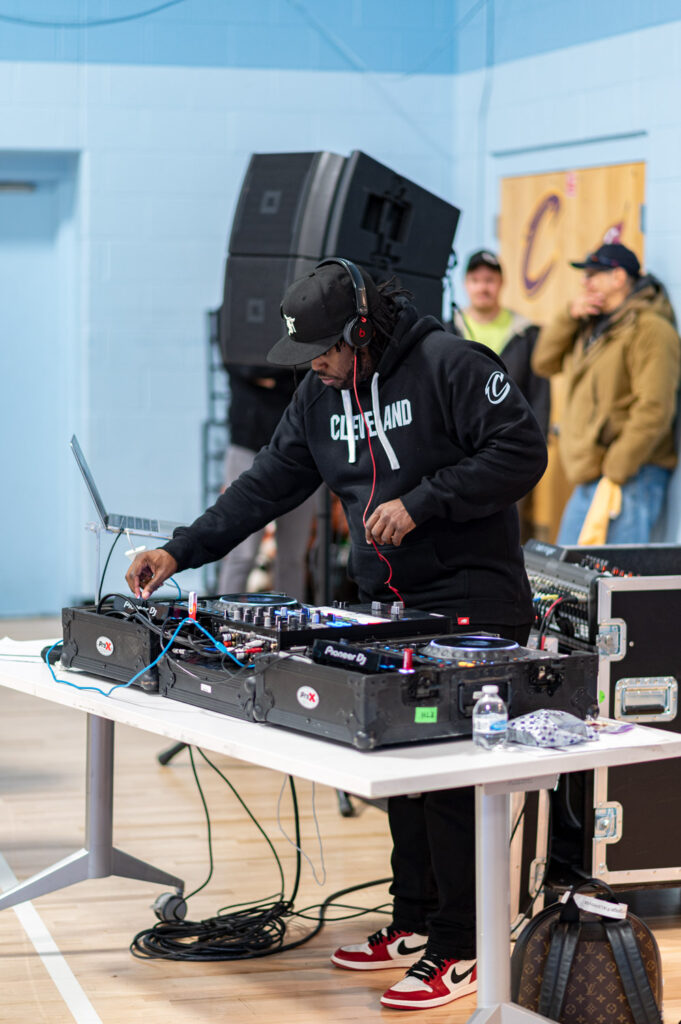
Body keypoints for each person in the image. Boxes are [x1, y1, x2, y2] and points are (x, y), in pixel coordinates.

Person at [126, 259, 547, 1010]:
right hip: (385, 606)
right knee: (404, 780)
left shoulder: (449, 362)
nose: (313, 368)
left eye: (321, 351)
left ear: (359, 331)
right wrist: (179, 549)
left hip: (473, 609)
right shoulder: (318, 395)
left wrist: (426, 502)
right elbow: (264, 485)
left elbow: (521, 451)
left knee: (449, 787)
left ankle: (463, 947)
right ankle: (414, 921)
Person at [531, 243, 681, 545]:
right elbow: (543, 362)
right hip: (596, 475)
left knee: (609, 583)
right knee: (571, 576)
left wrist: (617, 468)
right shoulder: (592, 323)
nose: (585, 283)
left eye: (594, 274)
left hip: (630, 476)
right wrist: (568, 316)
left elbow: (655, 407)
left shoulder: (652, 329)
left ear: (620, 278)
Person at [218, 364, 316, 599]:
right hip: (248, 445)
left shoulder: (298, 335)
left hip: (298, 452)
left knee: (293, 556)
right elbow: (240, 368)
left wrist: (267, 378)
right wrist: (284, 379)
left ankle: (294, 628)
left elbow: (308, 375)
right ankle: (220, 623)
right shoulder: (240, 331)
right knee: (241, 552)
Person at [451, 249, 549, 437]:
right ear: (465, 284)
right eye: (475, 280)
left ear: (501, 283)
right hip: (460, 438)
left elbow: (539, 394)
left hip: (512, 436)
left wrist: (538, 439)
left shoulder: (526, 332)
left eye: (489, 280)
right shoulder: (449, 331)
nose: (482, 288)